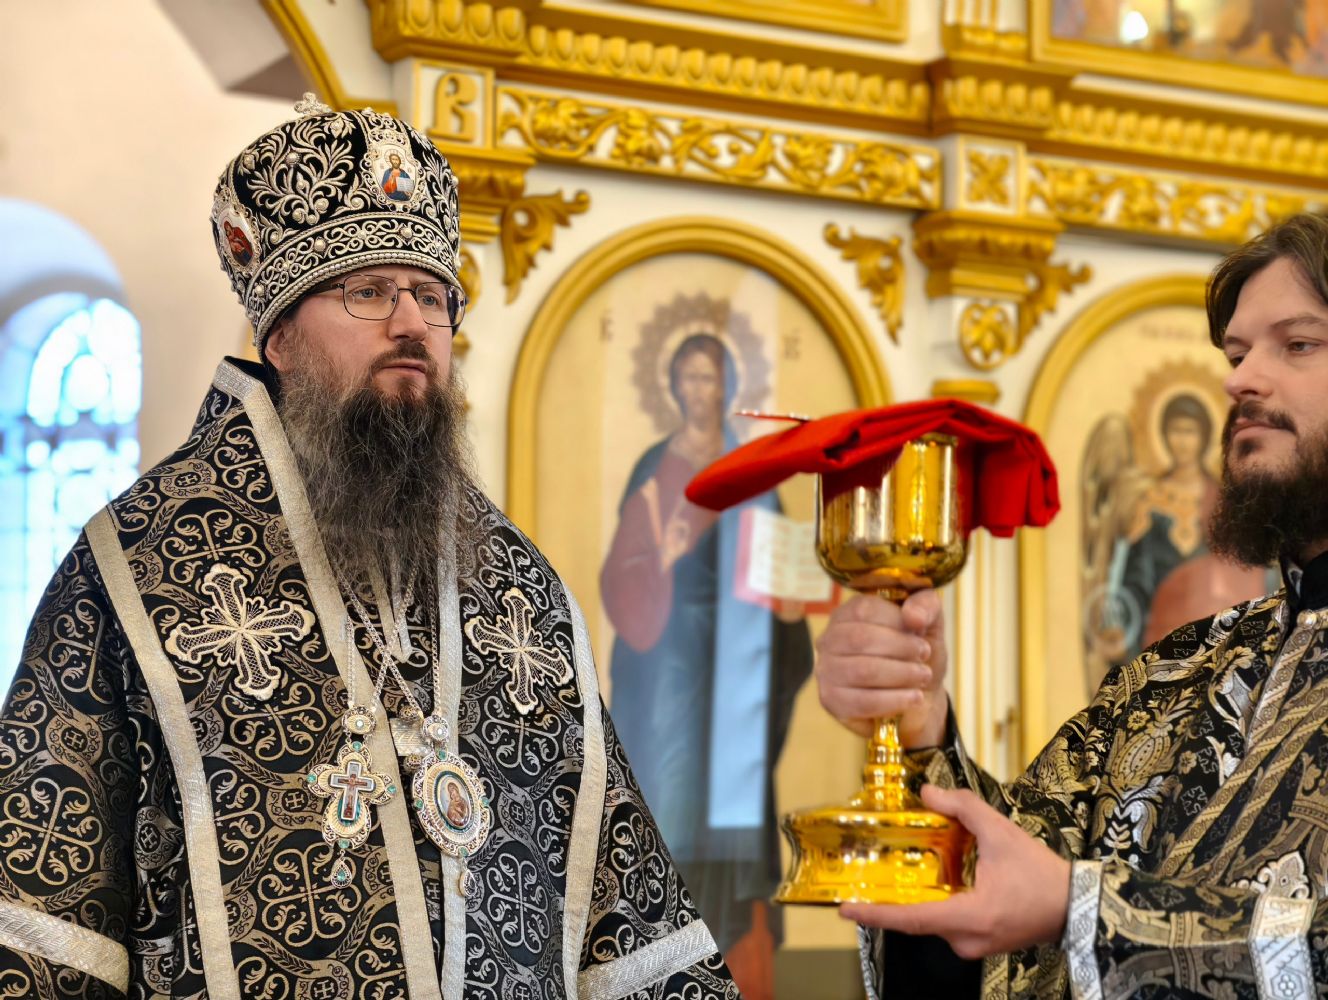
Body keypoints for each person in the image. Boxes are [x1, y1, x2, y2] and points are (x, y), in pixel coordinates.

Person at [0, 95, 736, 1000]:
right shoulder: (138, 568)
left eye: (431, 296)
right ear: (279, 336)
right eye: (369, 291)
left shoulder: (518, 589)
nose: (411, 323)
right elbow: (43, 927)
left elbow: (629, 919)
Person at [815, 210, 1328, 998]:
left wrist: (1082, 911)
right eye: (1235, 353)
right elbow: (1013, 896)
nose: (1239, 380)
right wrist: (922, 734)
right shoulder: (1175, 673)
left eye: (1297, 345)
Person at [600, 332, 812, 1000]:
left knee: (733, 826)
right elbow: (622, 580)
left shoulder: (752, 474)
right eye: (690, 377)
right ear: (673, 386)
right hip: (669, 682)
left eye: (711, 378)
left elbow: (781, 574)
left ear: (729, 388)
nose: (700, 390)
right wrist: (661, 560)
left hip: (741, 676)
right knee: (670, 813)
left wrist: (790, 609)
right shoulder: (655, 469)